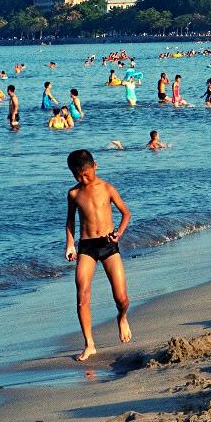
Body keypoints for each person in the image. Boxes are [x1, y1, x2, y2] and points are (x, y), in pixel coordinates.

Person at [63, 150, 132, 362]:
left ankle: (121, 317)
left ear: (95, 166)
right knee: (82, 296)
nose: (83, 179)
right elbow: (70, 221)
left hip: (108, 244)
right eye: (78, 176)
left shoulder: (107, 188)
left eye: (86, 174)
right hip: (86, 247)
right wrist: (70, 245)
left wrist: (119, 233)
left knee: (121, 297)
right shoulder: (74, 194)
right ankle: (89, 343)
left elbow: (126, 213)